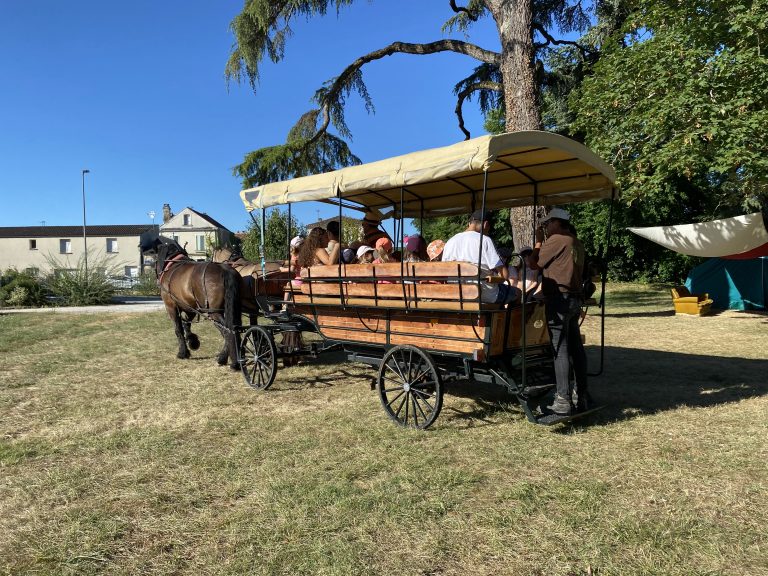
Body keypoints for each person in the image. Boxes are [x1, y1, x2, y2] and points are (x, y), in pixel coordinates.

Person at [529, 207, 588, 415]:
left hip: (559, 299)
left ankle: (563, 399)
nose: (546, 227)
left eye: (548, 224)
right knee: (575, 349)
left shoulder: (557, 240)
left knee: (559, 349)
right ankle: (582, 395)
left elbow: (534, 264)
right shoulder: (576, 242)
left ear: (557, 222)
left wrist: (537, 243)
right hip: (573, 299)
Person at [441, 210, 519, 304]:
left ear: (469, 223)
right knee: (517, 293)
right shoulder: (485, 240)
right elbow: (504, 275)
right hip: (484, 294)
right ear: (486, 224)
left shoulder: (450, 242)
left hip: (457, 293)